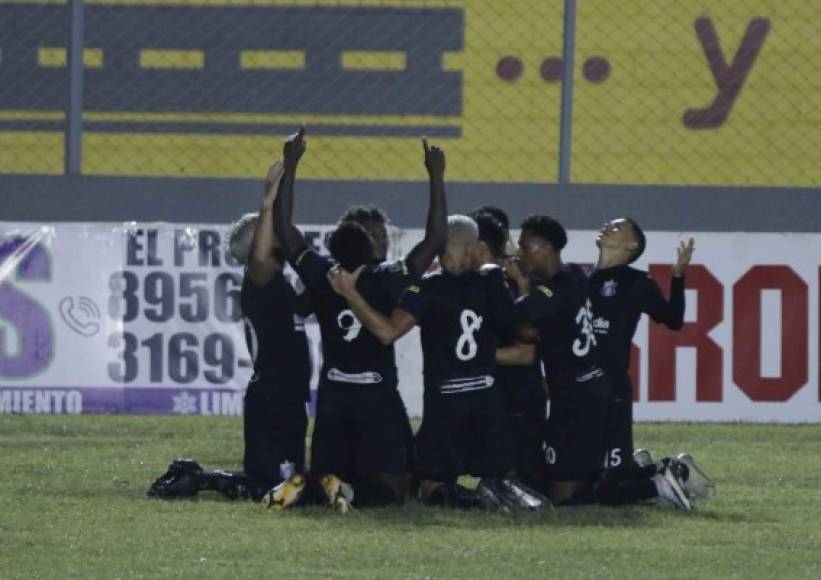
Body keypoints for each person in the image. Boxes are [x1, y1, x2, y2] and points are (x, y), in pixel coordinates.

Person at [271, 127, 447, 510]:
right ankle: (340, 490)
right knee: (395, 489)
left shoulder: (321, 274)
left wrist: (290, 164)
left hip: (334, 393)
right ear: (365, 244)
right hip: (375, 394)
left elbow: (284, 230)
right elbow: (434, 240)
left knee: (329, 476)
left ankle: (308, 486)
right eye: (374, 235)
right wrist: (436, 176)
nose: (381, 239)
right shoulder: (386, 280)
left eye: (382, 233)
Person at [327, 215, 550, 511]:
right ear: (473, 248)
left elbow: (386, 333)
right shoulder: (494, 281)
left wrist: (349, 293)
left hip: (444, 401)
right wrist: (521, 284)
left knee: (430, 484)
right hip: (487, 399)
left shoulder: (425, 289)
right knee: (502, 471)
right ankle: (498, 493)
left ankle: (468, 502)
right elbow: (523, 332)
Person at [148, 159, 312, 502]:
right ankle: (198, 479)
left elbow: (284, 227)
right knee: (274, 489)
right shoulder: (260, 282)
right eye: (270, 236)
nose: (280, 236)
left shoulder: (277, 286)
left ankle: (196, 475)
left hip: (287, 396)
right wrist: (269, 198)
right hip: (273, 397)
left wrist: (291, 171)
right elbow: (268, 239)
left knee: (288, 480)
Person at [590, 217, 714, 502]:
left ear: (631, 245)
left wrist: (678, 277)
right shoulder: (581, 278)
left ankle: (667, 479)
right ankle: (663, 469)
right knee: (589, 476)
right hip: (580, 390)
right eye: (609, 223)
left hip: (611, 389)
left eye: (618, 227)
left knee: (606, 491)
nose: (608, 226)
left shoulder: (636, 282)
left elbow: (673, 321)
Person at [470, 209, 546, 488]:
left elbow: (525, 354)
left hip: (520, 399)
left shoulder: (511, 286)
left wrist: (465, 357)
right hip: (496, 396)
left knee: (522, 480)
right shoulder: (477, 284)